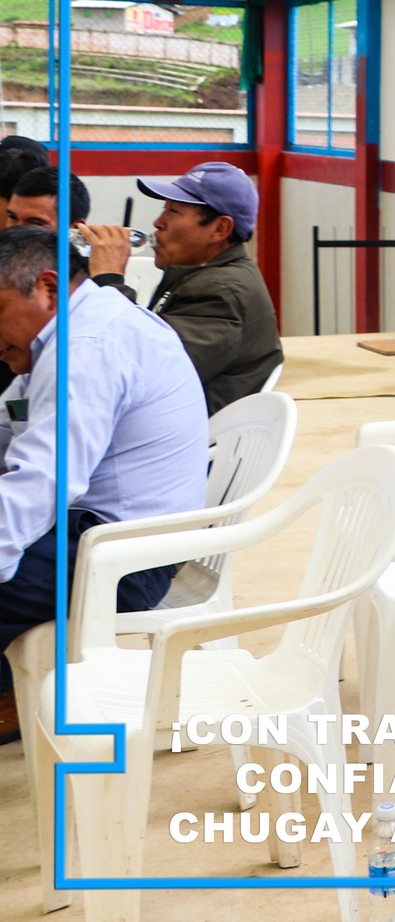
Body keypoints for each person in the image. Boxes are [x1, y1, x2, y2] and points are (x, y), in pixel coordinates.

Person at [0, 225, 209, 740]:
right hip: (99, 529)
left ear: (47, 288)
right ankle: (13, 694)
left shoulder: (87, 347)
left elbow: (44, 480)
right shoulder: (73, 327)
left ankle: (14, 701)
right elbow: (19, 433)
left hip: (124, 557)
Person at [78, 162, 281, 416]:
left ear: (220, 229)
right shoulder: (200, 274)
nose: (157, 222)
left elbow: (140, 366)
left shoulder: (222, 293)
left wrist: (109, 279)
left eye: (173, 211)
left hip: (178, 442)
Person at [7, 165, 133, 298]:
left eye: (35, 223)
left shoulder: (87, 285)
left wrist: (109, 280)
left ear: (75, 229)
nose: (15, 231)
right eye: (12, 217)